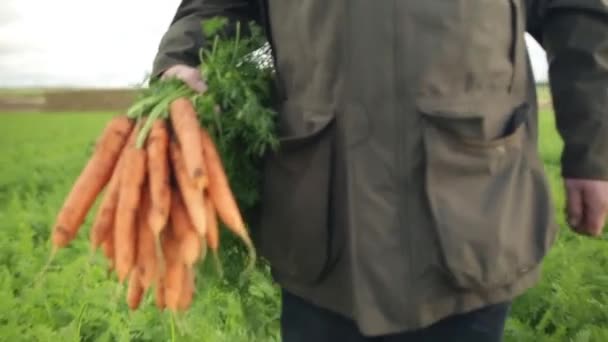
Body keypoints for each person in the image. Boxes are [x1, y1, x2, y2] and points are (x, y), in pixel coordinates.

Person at [151, 1, 608, 341]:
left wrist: (594, 151)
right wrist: (180, 57)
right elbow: (215, 6)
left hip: (470, 207)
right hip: (321, 223)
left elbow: (576, 12)